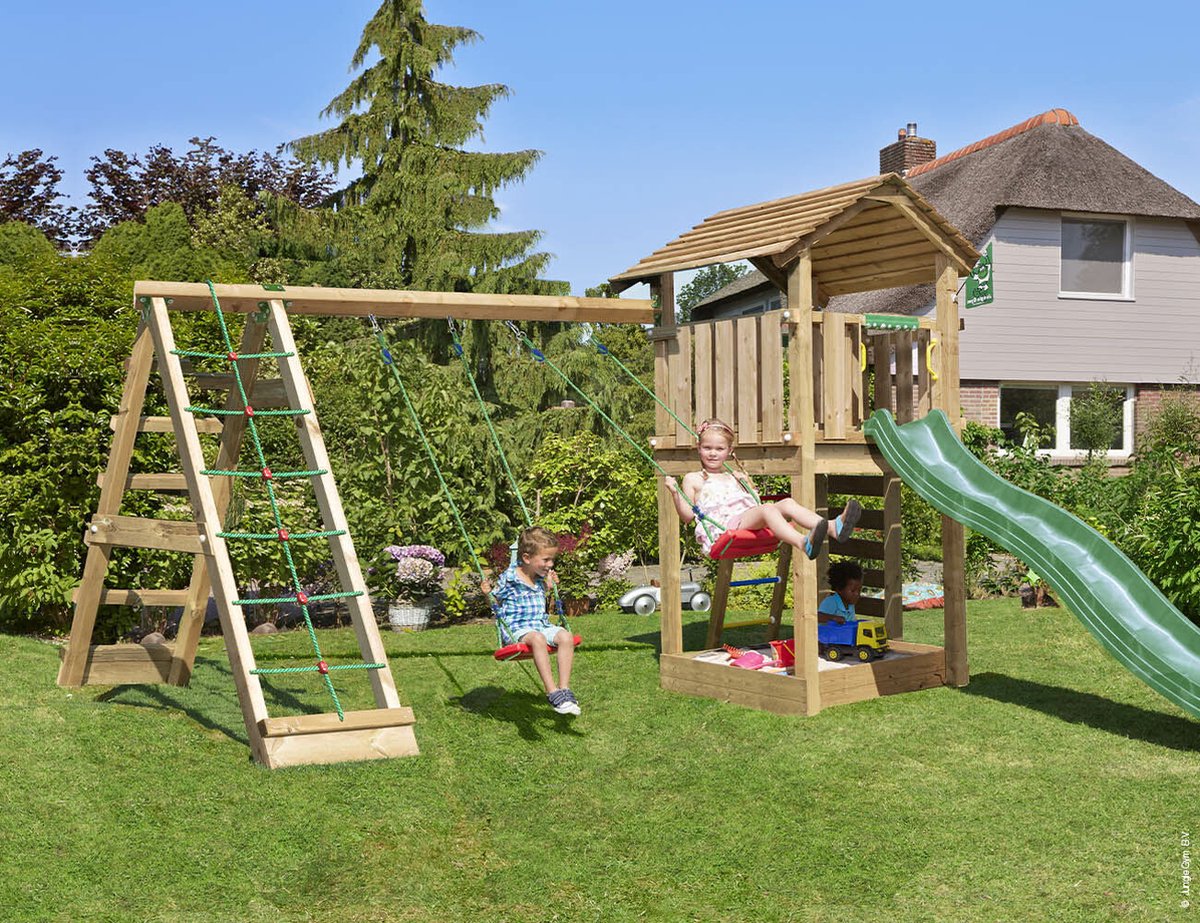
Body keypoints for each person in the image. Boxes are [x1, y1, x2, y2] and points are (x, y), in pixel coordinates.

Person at [664, 418, 862, 560]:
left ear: (729, 451)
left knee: (787, 503)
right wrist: (675, 493)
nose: (713, 453)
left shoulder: (733, 476)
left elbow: (753, 502)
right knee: (768, 509)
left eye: (719, 449)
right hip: (725, 527)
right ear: (699, 448)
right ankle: (803, 543)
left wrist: (747, 485)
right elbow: (688, 517)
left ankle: (832, 528)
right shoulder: (694, 479)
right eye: (707, 448)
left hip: (745, 519)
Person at [483, 526, 580, 716]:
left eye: (552, 559)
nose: (550, 564)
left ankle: (564, 690)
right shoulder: (510, 577)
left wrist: (550, 586)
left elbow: (538, 597)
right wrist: (487, 594)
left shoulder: (539, 578)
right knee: (537, 639)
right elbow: (495, 599)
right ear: (527, 558)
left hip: (540, 625)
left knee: (566, 637)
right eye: (546, 560)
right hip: (517, 630)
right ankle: (552, 692)